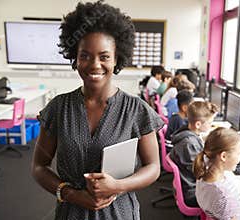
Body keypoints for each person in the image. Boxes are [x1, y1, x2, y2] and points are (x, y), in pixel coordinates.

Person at [31, 1, 164, 220]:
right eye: (85, 55)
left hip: (120, 213)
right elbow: (39, 166)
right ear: (74, 56)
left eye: (104, 57)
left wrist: (118, 186)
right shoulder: (58, 108)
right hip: (71, 213)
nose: (94, 64)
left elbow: (153, 167)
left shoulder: (136, 110)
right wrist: (70, 194)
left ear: (117, 58)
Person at [169, 101, 218, 207]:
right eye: (209, 123)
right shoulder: (188, 144)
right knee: (227, 196)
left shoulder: (188, 135)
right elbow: (201, 172)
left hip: (193, 185)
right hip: (192, 191)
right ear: (198, 124)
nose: (211, 125)